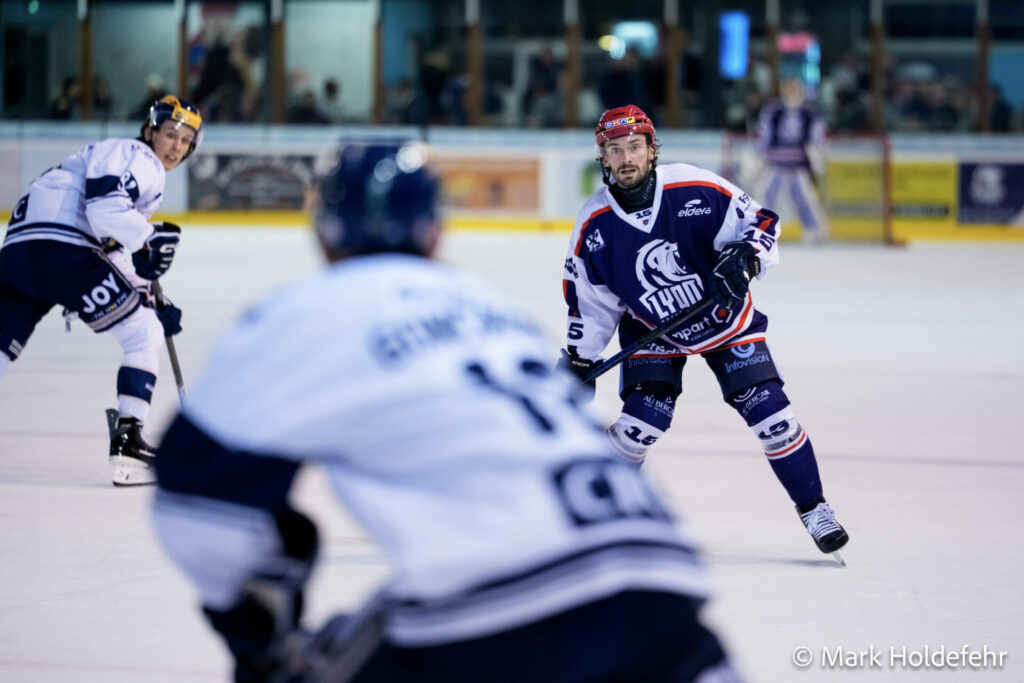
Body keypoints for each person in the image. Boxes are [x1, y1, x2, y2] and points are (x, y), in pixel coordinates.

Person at [151, 141, 742, 683]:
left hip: (508, 608)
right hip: (667, 590)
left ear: (324, 235)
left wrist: (260, 627)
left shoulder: (306, 311)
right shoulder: (494, 308)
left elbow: (195, 509)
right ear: (435, 233)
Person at [559, 105, 848, 561]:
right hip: (654, 328)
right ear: (603, 158)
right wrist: (580, 357)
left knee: (772, 417)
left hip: (726, 321)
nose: (626, 157)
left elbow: (763, 223)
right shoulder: (594, 224)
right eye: (614, 150)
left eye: (635, 146)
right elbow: (592, 301)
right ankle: (602, 519)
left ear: (652, 150)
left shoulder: (694, 186)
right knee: (638, 427)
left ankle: (815, 509)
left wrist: (745, 258)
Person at [0, 95, 201, 486]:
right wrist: (148, 238)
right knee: (143, 332)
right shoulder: (137, 156)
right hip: (62, 250)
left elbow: (110, 243)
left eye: (185, 139)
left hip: (18, 254)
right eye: (170, 134)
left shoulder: (110, 157)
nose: (176, 146)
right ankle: (129, 446)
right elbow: (104, 211)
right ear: (150, 131)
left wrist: (150, 291)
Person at [754, 78, 829, 243]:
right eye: (789, 88)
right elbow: (764, 134)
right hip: (776, 162)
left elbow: (817, 138)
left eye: (795, 89)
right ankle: (761, 231)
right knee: (768, 197)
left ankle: (815, 230)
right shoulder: (773, 110)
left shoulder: (809, 112)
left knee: (804, 199)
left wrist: (817, 160)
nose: (792, 92)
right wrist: (759, 156)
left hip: (798, 164)